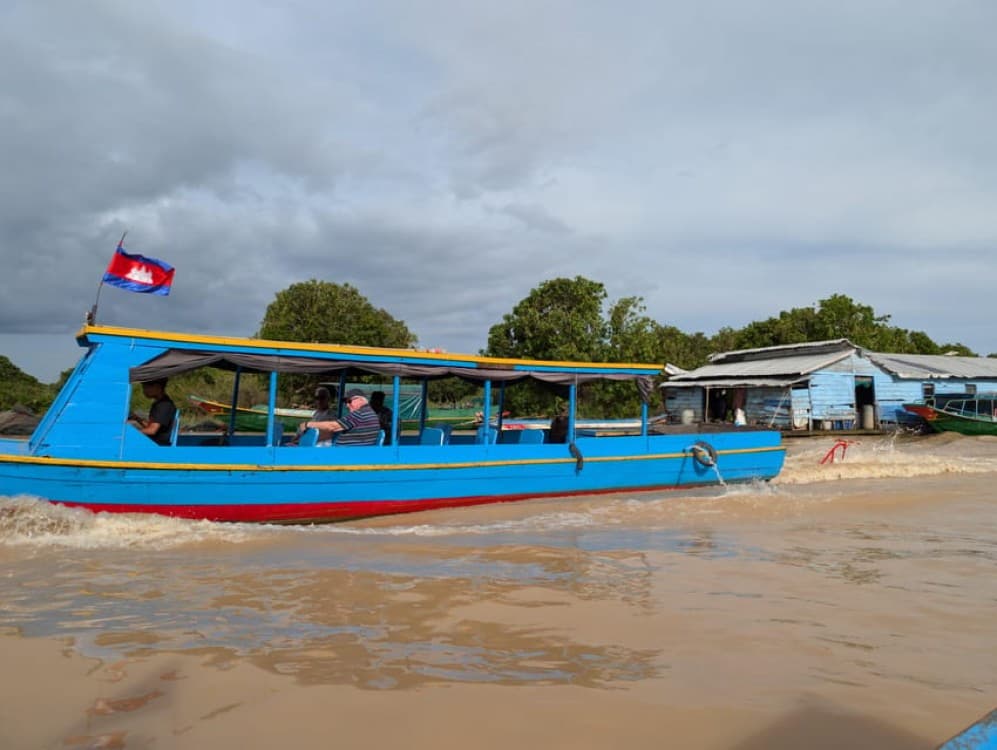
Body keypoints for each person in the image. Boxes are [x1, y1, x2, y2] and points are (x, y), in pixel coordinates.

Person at [303, 389, 380, 446]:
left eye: (349, 401)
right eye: (346, 402)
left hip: (346, 456)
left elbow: (333, 426)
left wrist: (308, 424)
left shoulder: (360, 414)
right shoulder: (368, 412)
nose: (347, 405)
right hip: (351, 452)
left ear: (360, 400)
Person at [128, 378, 176, 446]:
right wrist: (137, 418)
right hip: (154, 441)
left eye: (146, 388)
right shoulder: (159, 403)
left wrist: (131, 434)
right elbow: (151, 426)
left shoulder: (164, 405)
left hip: (157, 444)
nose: (144, 391)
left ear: (157, 387)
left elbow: (152, 430)